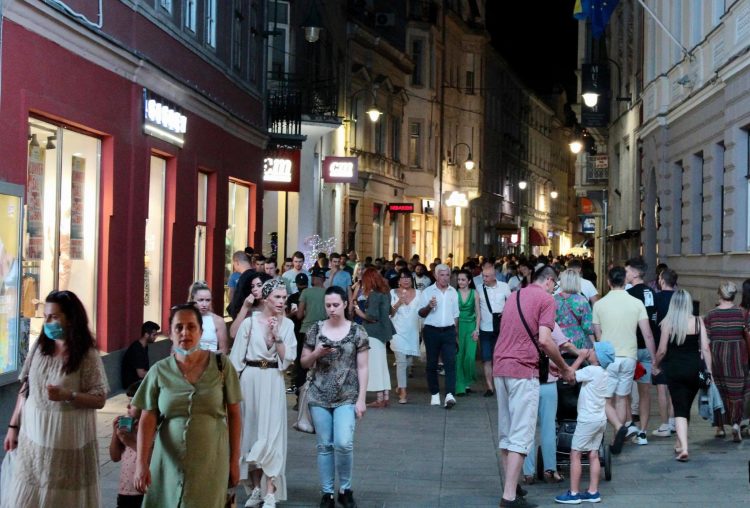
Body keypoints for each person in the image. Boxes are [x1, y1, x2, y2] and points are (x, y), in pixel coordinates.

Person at [3, 290, 109, 507]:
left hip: (65, 439)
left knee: (59, 496)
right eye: (45, 317)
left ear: (70, 318)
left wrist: (68, 396)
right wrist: (13, 426)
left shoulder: (86, 354)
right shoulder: (40, 347)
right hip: (33, 437)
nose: (48, 322)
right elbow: (26, 387)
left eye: (54, 317)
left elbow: (99, 398)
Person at [132, 303, 242, 507]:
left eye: (191, 327)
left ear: (201, 331)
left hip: (211, 461)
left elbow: (235, 415)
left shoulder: (221, 366)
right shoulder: (159, 371)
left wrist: (234, 460)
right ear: (170, 333)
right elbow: (147, 418)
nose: (185, 333)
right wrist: (141, 463)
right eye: (179, 327)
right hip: (167, 463)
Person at [493, 267, 575, 508]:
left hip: (501, 367)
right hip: (522, 371)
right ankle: (509, 497)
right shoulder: (546, 299)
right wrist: (563, 367)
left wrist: (546, 364)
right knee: (521, 434)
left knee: (507, 432)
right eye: (555, 283)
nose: (555, 288)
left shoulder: (515, 295)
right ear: (549, 281)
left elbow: (516, 334)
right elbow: (545, 339)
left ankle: (513, 484)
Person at [229, 279, 296, 507]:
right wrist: (231, 393)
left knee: (273, 435)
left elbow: (288, 359)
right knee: (251, 434)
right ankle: (256, 489)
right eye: (277, 297)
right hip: (250, 379)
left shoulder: (287, 326)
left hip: (273, 379)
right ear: (266, 298)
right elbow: (236, 359)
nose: (281, 301)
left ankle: (271, 492)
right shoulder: (249, 324)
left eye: (284, 297)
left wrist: (277, 335)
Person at [300, 286, 370, 508]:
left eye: (336, 305)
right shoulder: (315, 330)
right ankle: (327, 492)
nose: (332, 309)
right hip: (318, 395)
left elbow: (363, 367)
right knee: (324, 445)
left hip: (347, 395)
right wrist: (316, 353)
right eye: (328, 305)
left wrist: (361, 399)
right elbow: (303, 362)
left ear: (345, 304)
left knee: (343, 442)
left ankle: (345, 488)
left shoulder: (357, 332)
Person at [591, 266, 654, 455]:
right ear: (624, 281)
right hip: (629, 357)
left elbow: (598, 335)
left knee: (603, 400)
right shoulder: (636, 303)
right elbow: (647, 334)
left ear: (609, 282)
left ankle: (619, 427)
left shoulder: (599, 304)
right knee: (621, 398)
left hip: (609, 358)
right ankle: (617, 436)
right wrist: (655, 359)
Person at [653, 289, 713, 461]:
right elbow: (706, 348)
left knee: (680, 407)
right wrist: (709, 371)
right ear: (688, 303)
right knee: (684, 406)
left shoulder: (667, 323)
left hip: (674, 370)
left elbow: (662, 350)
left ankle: (684, 448)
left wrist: (656, 365)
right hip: (694, 370)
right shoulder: (697, 321)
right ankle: (679, 443)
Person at [554, 342, 614, 505]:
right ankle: (593, 492)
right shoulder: (603, 373)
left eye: (594, 350)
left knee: (575, 453)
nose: (590, 351)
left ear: (598, 357)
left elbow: (570, 375)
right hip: (600, 419)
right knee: (593, 454)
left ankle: (573, 493)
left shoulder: (591, 370)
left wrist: (580, 357)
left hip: (587, 420)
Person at [704, 281, 750, 442]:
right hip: (737, 357)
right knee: (737, 393)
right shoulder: (742, 313)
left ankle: (720, 427)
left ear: (719, 294)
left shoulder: (710, 315)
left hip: (717, 358)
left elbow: (706, 341)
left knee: (719, 391)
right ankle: (736, 424)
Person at [624, 257, 659, 445]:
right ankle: (643, 432)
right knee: (645, 392)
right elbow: (652, 320)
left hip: (632, 347)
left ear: (636, 273)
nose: (626, 274)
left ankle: (631, 423)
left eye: (627, 270)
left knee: (625, 390)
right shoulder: (650, 292)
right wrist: (654, 357)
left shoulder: (630, 294)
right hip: (646, 347)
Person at [418, 264, 460, 408]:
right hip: (431, 331)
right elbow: (421, 313)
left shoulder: (453, 292)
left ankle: (449, 394)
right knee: (432, 364)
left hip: (448, 331)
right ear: (436, 276)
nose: (444, 278)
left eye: (447, 275)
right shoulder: (427, 292)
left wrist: (456, 335)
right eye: (441, 275)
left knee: (450, 363)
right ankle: (435, 393)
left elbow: (456, 315)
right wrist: (429, 306)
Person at [352, 267, 393, 407]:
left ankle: (379, 398)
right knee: (382, 364)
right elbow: (389, 311)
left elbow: (372, 316)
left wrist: (359, 313)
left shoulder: (374, 295)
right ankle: (385, 396)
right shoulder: (386, 292)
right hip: (383, 332)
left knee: (374, 365)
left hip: (373, 332)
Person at [477, 261, 512, 397]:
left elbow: (511, 304)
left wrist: (505, 313)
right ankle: (490, 387)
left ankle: (501, 385)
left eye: (486, 276)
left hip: (501, 328)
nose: (484, 279)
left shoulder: (504, 287)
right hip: (485, 328)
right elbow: (477, 309)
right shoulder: (479, 289)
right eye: (483, 276)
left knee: (500, 357)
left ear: (494, 276)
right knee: (486, 358)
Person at [652, 268, 678, 437]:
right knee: (675, 387)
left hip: (660, 345)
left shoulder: (656, 298)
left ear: (661, 281)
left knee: (662, 387)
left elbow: (652, 321)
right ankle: (674, 420)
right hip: (678, 346)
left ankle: (664, 425)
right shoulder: (680, 299)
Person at [389, 268, 422, 404]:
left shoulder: (419, 293)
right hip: (397, 332)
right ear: (399, 280)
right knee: (401, 362)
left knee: (408, 362)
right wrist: (398, 303)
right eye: (403, 277)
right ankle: (403, 392)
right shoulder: (392, 293)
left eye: (408, 277)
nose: (406, 280)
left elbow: (422, 313)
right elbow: (389, 313)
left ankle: (400, 385)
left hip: (412, 332)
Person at [110, 381, 144, 508]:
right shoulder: (128, 426)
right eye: (128, 401)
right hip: (126, 489)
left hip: (145, 490)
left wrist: (130, 441)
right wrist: (116, 433)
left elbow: (153, 458)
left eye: (133, 402)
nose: (128, 406)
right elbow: (115, 457)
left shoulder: (155, 429)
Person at [555, 269, 594, 350]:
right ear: (576, 282)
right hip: (578, 341)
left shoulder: (553, 299)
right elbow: (587, 326)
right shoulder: (582, 300)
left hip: (559, 341)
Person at [455, 269, 480, 396]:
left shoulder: (475, 293)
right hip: (458, 326)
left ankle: (467, 380)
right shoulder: (454, 293)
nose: (460, 282)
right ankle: (460, 386)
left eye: (463, 279)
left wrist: (477, 329)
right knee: (459, 356)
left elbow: (478, 312)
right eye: (459, 279)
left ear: (469, 281)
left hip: (471, 326)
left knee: (469, 357)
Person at [229, 272, 273, 339]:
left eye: (259, 285)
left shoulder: (275, 307)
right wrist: (245, 307)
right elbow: (233, 334)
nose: (254, 289)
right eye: (252, 286)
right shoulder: (248, 308)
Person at [190, 280, 229, 354]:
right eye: (200, 300)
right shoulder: (184, 319)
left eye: (208, 300)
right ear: (193, 300)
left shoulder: (218, 321)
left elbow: (224, 350)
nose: (204, 304)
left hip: (211, 362)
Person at [121, 321, 160, 390]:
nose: (156, 337)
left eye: (156, 334)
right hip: (132, 385)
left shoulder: (144, 346)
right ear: (146, 334)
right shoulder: (137, 349)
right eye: (154, 335)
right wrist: (157, 373)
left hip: (140, 381)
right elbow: (141, 374)